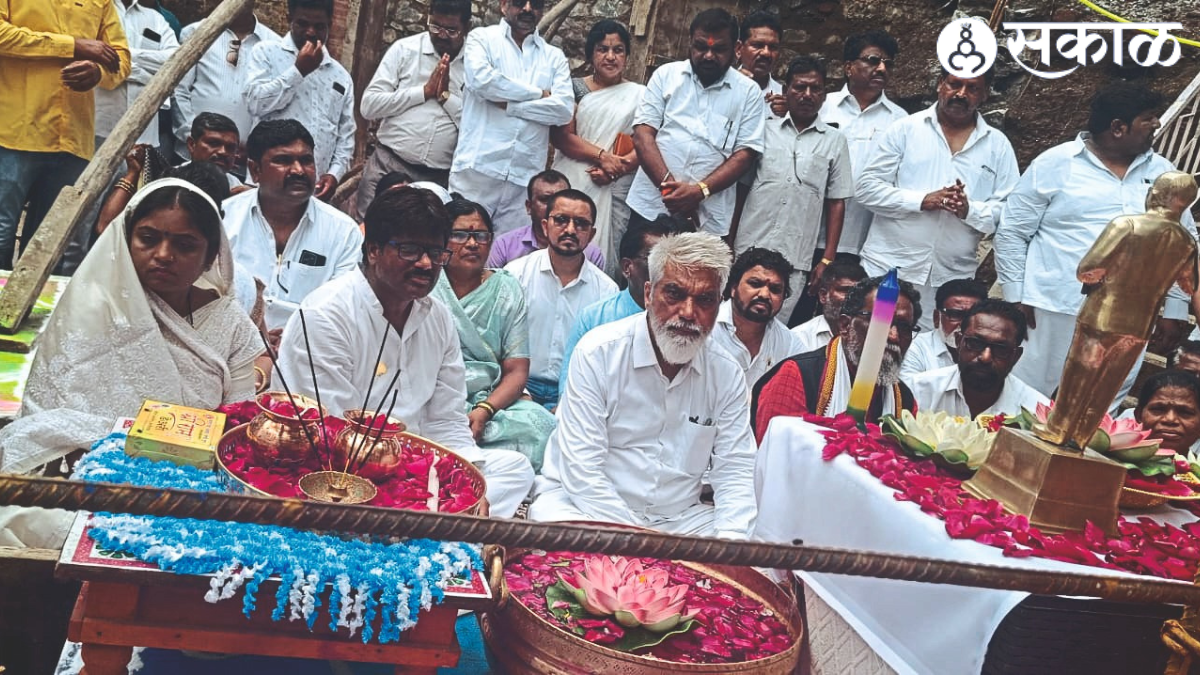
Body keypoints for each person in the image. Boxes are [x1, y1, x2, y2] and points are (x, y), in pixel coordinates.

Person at [0, 179, 263, 548]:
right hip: (86, 470)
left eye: (185, 245)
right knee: (30, 521)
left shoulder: (231, 323)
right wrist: (112, 458)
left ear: (211, 256)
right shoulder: (91, 307)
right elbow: (52, 417)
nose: (163, 255)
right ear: (125, 241)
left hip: (193, 483)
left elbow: (239, 428)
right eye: (148, 238)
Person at [273, 187, 535, 517]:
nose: (425, 264)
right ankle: (442, 529)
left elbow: (447, 421)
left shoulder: (437, 316)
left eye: (435, 253)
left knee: (514, 469)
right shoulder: (326, 315)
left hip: (415, 462)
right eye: (410, 250)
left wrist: (467, 484)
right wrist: (424, 489)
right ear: (373, 250)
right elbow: (330, 436)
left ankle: (442, 525)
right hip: (340, 472)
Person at [529, 232, 757, 538]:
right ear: (649, 294)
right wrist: (641, 542)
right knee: (554, 529)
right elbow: (583, 472)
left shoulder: (727, 372)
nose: (688, 313)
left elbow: (736, 470)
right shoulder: (599, 352)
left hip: (679, 520)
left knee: (756, 542)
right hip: (589, 509)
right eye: (674, 294)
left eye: (705, 300)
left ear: (720, 304)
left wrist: (731, 545)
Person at [996, 83, 1192, 399]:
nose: (1157, 124)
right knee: (1029, 397)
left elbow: (1181, 245)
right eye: (1148, 118)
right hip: (1052, 308)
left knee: (1102, 402)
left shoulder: (1162, 172)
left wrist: (1176, 308)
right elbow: (1013, 232)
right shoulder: (1055, 163)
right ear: (1118, 128)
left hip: (1130, 315)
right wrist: (1015, 296)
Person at [1034, 171, 1199, 451]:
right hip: (1140, 324)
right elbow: (1189, 285)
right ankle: (1083, 435)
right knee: (1109, 383)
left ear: (1156, 194)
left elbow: (1087, 269)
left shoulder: (1127, 224)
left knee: (1078, 375)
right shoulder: (1187, 242)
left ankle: (1058, 429)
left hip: (1103, 315)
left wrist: (1102, 278)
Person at [856, 69, 1019, 330]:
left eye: (972, 88)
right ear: (940, 84)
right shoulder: (906, 129)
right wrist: (922, 200)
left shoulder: (998, 146)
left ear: (985, 94)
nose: (961, 94)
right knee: (876, 339)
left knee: (937, 347)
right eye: (954, 84)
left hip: (951, 284)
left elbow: (1010, 214)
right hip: (890, 271)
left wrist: (969, 210)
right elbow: (866, 188)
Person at [0, 0, 130, 271]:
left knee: (48, 245)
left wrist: (99, 72)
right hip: (12, 134)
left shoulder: (101, 2)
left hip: (72, 140)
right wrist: (72, 45)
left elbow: (121, 58)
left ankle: (32, 301)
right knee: (2, 232)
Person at [431, 198, 557, 471]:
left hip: (487, 400)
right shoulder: (427, 283)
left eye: (481, 235)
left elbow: (516, 370)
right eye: (460, 235)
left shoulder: (506, 288)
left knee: (543, 426)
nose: (472, 244)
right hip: (433, 395)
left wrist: (485, 410)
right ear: (441, 240)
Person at [730, 55, 852, 321]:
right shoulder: (763, 131)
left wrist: (827, 259)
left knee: (774, 325)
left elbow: (836, 202)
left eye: (815, 88)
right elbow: (742, 188)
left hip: (795, 257)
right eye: (799, 87)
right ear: (786, 90)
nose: (807, 94)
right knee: (734, 316)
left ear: (824, 95)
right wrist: (729, 239)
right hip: (748, 246)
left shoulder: (835, 141)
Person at [626, 8, 765, 236]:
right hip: (650, 206)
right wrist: (671, 191)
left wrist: (700, 192)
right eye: (701, 47)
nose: (708, 55)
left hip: (707, 219)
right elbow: (642, 136)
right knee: (638, 260)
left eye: (718, 49)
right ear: (690, 42)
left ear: (737, 48)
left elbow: (744, 155)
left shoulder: (749, 93)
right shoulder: (666, 76)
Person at [223, 119, 362, 331]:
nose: (298, 170)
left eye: (306, 160)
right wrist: (254, 337)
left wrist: (293, 339)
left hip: (312, 342)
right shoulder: (225, 218)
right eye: (283, 160)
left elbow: (343, 307)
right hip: (233, 339)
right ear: (255, 170)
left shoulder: (344, 232)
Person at [449, 0, 573, 234]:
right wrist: (539, 94)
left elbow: (563, 109)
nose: (527, 8)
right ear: (504, 5)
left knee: (511, 250)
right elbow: (483, 82)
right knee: (462, 242)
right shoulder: (482, 39)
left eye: (535, 4)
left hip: (523, 177)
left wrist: (510, 106)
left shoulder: (553, 57)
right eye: (519, 2)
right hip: (478, 168)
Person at [752, 274, 920, 442]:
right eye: (881, 321)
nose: (893, 336)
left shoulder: (903, 399)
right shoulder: (797, 376)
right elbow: (777, 450)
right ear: (845, 325)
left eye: (905, 327)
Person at [504, 189, 618, 407]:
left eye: (581, 224)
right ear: (545, 226)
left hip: (577, 390)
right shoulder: (516, 274)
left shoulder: (606, 290)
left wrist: (567, 402)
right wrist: (521, 392)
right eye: (561, 220)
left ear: (591, 234)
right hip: (516, 384)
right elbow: (498, 341)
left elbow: (604, 359)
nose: (571, 230)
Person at [549, 19, 644, 277]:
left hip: (616, 184)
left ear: (627, 56)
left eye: (618, 50)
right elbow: (562, 137)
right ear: (591, 54)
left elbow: (645, 142)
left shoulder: (640, 95)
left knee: (608, 250)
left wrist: (616, 169)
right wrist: (602, 157)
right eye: (603, 49)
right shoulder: (574, 88)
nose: (610, 57)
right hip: (575, 179)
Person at [357, 0, 470, 214]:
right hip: (388, 165)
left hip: (438, 179)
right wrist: (423, 92)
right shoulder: (405, 50)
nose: (441, 35)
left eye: (451, 30)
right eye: (435, 26)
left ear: (467, 27)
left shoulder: (474, 65)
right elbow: (369, 106)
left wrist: (445, 97)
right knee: (367, 229)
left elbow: (476, 126)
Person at [244, 0, 354, 200]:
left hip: (314, 189)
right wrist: (298, 71)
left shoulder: (341, 76)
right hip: (267, 184)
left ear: (330, 25)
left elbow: (345, 135)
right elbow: (255, 103)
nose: (311, 32)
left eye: (319, 26)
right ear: (290, 19)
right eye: (303, 24)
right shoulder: (266, 53)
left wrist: (334, 174)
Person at [557, 214, 676, 397]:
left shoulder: (685, 320)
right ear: (627, 267)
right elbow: (571, 390)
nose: (667, 269)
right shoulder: (595, 318)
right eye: (656, 260)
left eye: (673, 260)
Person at [817, 30, 906, 259]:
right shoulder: (823, 107)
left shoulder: (900, 121)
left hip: (864, 241)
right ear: (848, 67)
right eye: (873, 60)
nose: (882, 69)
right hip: (811, 233)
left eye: (888, 64)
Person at [174, 3, 280, 161]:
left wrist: (255, 149)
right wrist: (194, 138)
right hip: (192, 157)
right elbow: (178, 90)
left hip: (242, 162)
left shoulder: (274, 44)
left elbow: (274, 105)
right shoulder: (196, 32)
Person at [908, 299, 1047, 419]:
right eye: (975, 344)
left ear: (1016, 356)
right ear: (958, 342)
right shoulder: (918, 391)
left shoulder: (1036, 413)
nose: (985, 357)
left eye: (1000, 349)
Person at [712, 247, 804, 388]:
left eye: (775, 289)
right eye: (755, 284)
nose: (764, 294)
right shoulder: (707, 328)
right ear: (733, 288)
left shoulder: (790, 344)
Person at [94, 0, 178, 149]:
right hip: (101, 126)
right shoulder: (94, 12)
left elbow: (176, 60)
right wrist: (148, 76)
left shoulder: (155, 19)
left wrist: (121, 56)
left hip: (145, 131)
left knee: (142, 165)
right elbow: (91, 57)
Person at [486, 170, 606, 269]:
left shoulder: (591, 253)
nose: (552, 207)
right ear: (529, 207)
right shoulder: (505, 246)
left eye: (561, 200)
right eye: (545, 199)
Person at [900, 278, 987, 379]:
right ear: (937, 318)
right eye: (955, 315)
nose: (965, 324)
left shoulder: (990, 351)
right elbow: (908, 387)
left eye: (973, 316)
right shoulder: (913, 347)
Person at [791, 258, 867, 352]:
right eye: (845, 291)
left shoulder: (874, 336)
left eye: (859, 292)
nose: (853, 298)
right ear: (823, 295)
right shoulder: (798, 338)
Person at [1134, 371, 1200, 460]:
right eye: (1158, 409)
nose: (1170, 419)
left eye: (1185, 412)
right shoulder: (1115, 461)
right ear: (1139, 415)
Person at [736, 10, 785, 117]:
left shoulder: (783, 98)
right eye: (757, 45)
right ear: (739, 49)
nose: (766, 53)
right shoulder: (718, 89)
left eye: (773, 47)